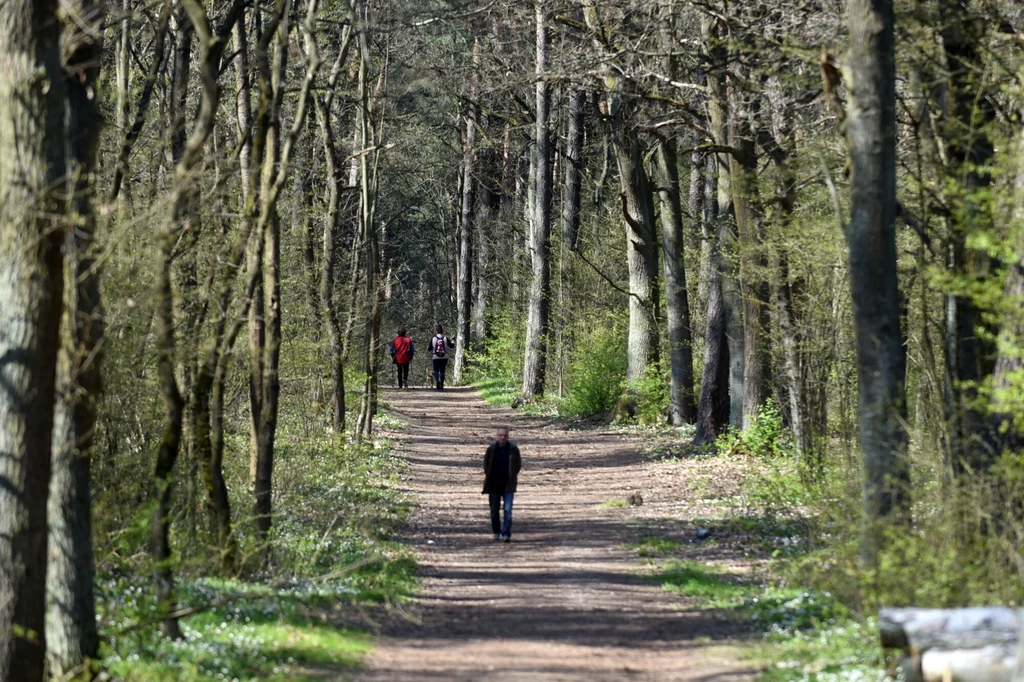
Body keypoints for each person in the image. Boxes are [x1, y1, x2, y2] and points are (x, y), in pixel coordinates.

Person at [482, 426, 521, 542]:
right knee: (494, 511)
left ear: (507, 436)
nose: (502, 438)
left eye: (504, 435)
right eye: (500, 435)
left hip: (508, 485)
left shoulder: (513, 449)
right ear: (497, 436)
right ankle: (496, 531)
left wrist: (512, 476)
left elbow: (517, 465)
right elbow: (486, 464)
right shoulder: (492, 449)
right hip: (494, 485)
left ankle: (506, 533)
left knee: (508, 510)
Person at [429, 325, 453, 390]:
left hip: (435, 357)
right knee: (442, 371)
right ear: (442, 331)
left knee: (436, 370)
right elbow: (452, 346)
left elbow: (429, 348)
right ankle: (442, 384)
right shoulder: (445, 338)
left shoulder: (433, 339)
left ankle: (437, 381)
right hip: (444, 357)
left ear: (436, 331)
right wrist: (453, 340)